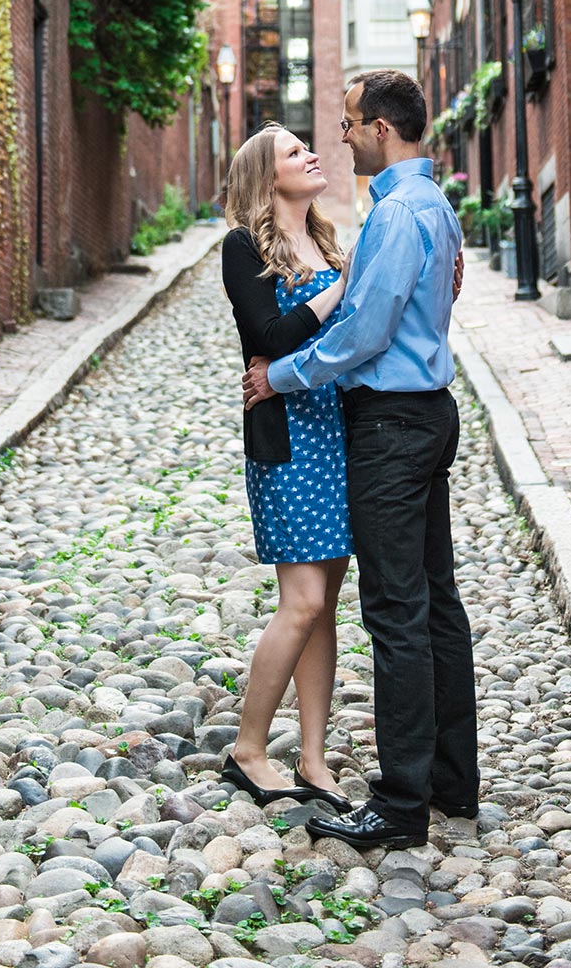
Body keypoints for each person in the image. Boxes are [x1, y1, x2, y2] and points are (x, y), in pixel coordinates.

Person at [243, 69, 478, 851]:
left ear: (381, 127)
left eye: (346, 124)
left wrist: (280, 376)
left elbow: (364, 330)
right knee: (435, 601)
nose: (338, 138)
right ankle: (451, 782)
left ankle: (402, 802)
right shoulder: (431, 206)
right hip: (427, 415)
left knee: (396, 611)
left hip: (390, 425)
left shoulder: (397, 213)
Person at [220, 124, 352, 808]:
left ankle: (312, 758)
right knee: (299, 604)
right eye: (295, 152)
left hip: (339, 435)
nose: (311, 155)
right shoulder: (242, 247)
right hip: (287, 438)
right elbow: (268, 339)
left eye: (308, 147)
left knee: (324, 606)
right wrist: (340, 291)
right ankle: (246, 749)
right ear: (266, 177)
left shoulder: (326, 241)